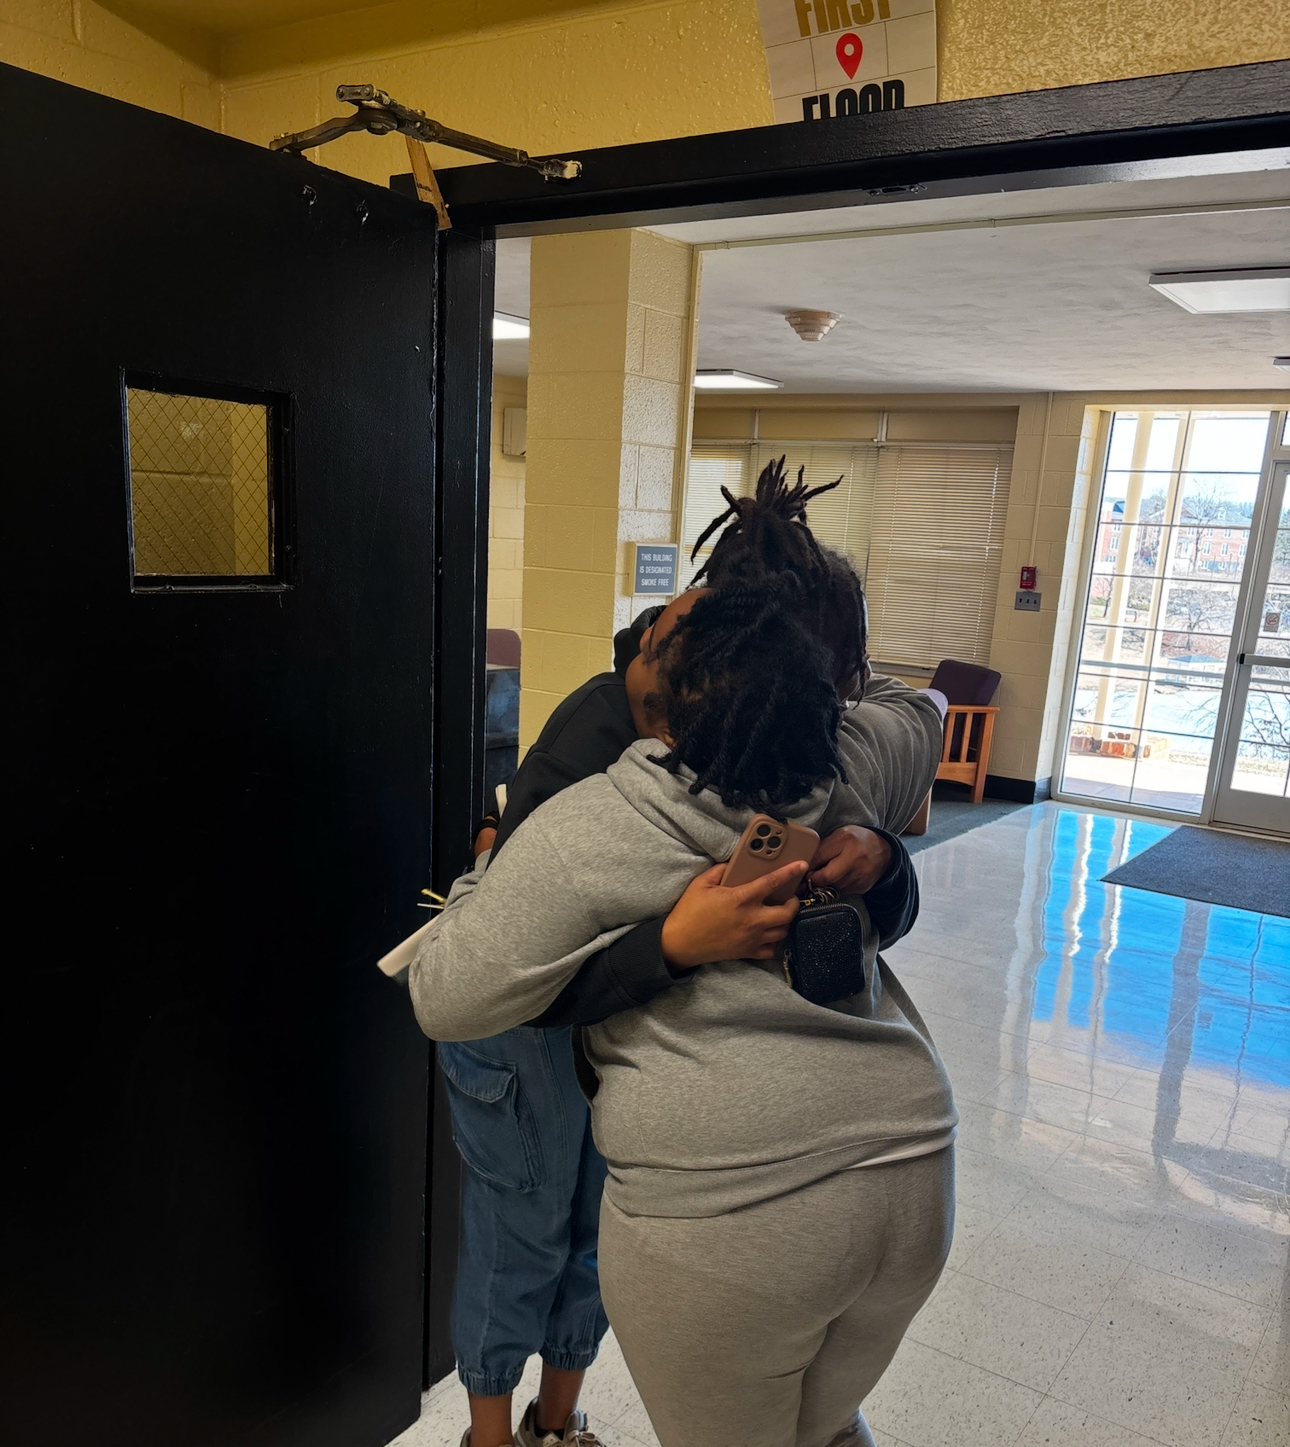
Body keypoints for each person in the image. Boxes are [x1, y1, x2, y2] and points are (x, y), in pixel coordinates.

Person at [434, 464, 932, 1447]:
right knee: (523, 1236)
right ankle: (493, 1435)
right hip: (540, 1019)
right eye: (829, 680)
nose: (840, 703)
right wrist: (669, 944)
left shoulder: (824, 742)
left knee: (589, 1242)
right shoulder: (607, 744)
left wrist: (879, 861)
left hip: (661, 1070)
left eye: (848, 684)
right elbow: (494, 968)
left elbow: (912, 724)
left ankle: (560, 1421)